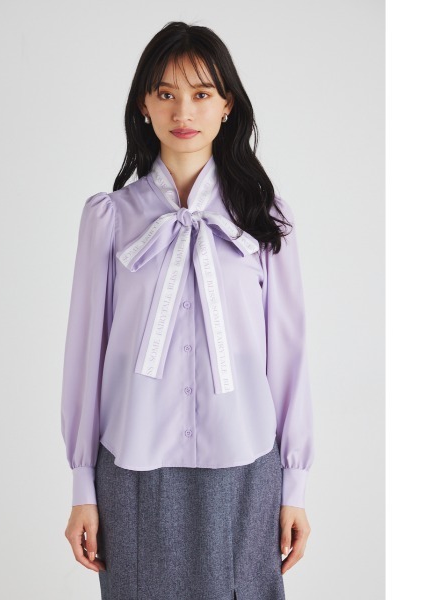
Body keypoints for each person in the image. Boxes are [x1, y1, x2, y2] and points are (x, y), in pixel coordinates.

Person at [61, 21, 314, 600]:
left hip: (246, 467)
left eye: (201, 93)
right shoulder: (109, 219)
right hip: (132, 470)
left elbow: (289, 356)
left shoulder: (266, 219)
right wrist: (81, 486)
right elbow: (84, 354)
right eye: (166, 93)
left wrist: (295, 484)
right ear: (143, 104)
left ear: (227, 105)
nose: (183, 111)